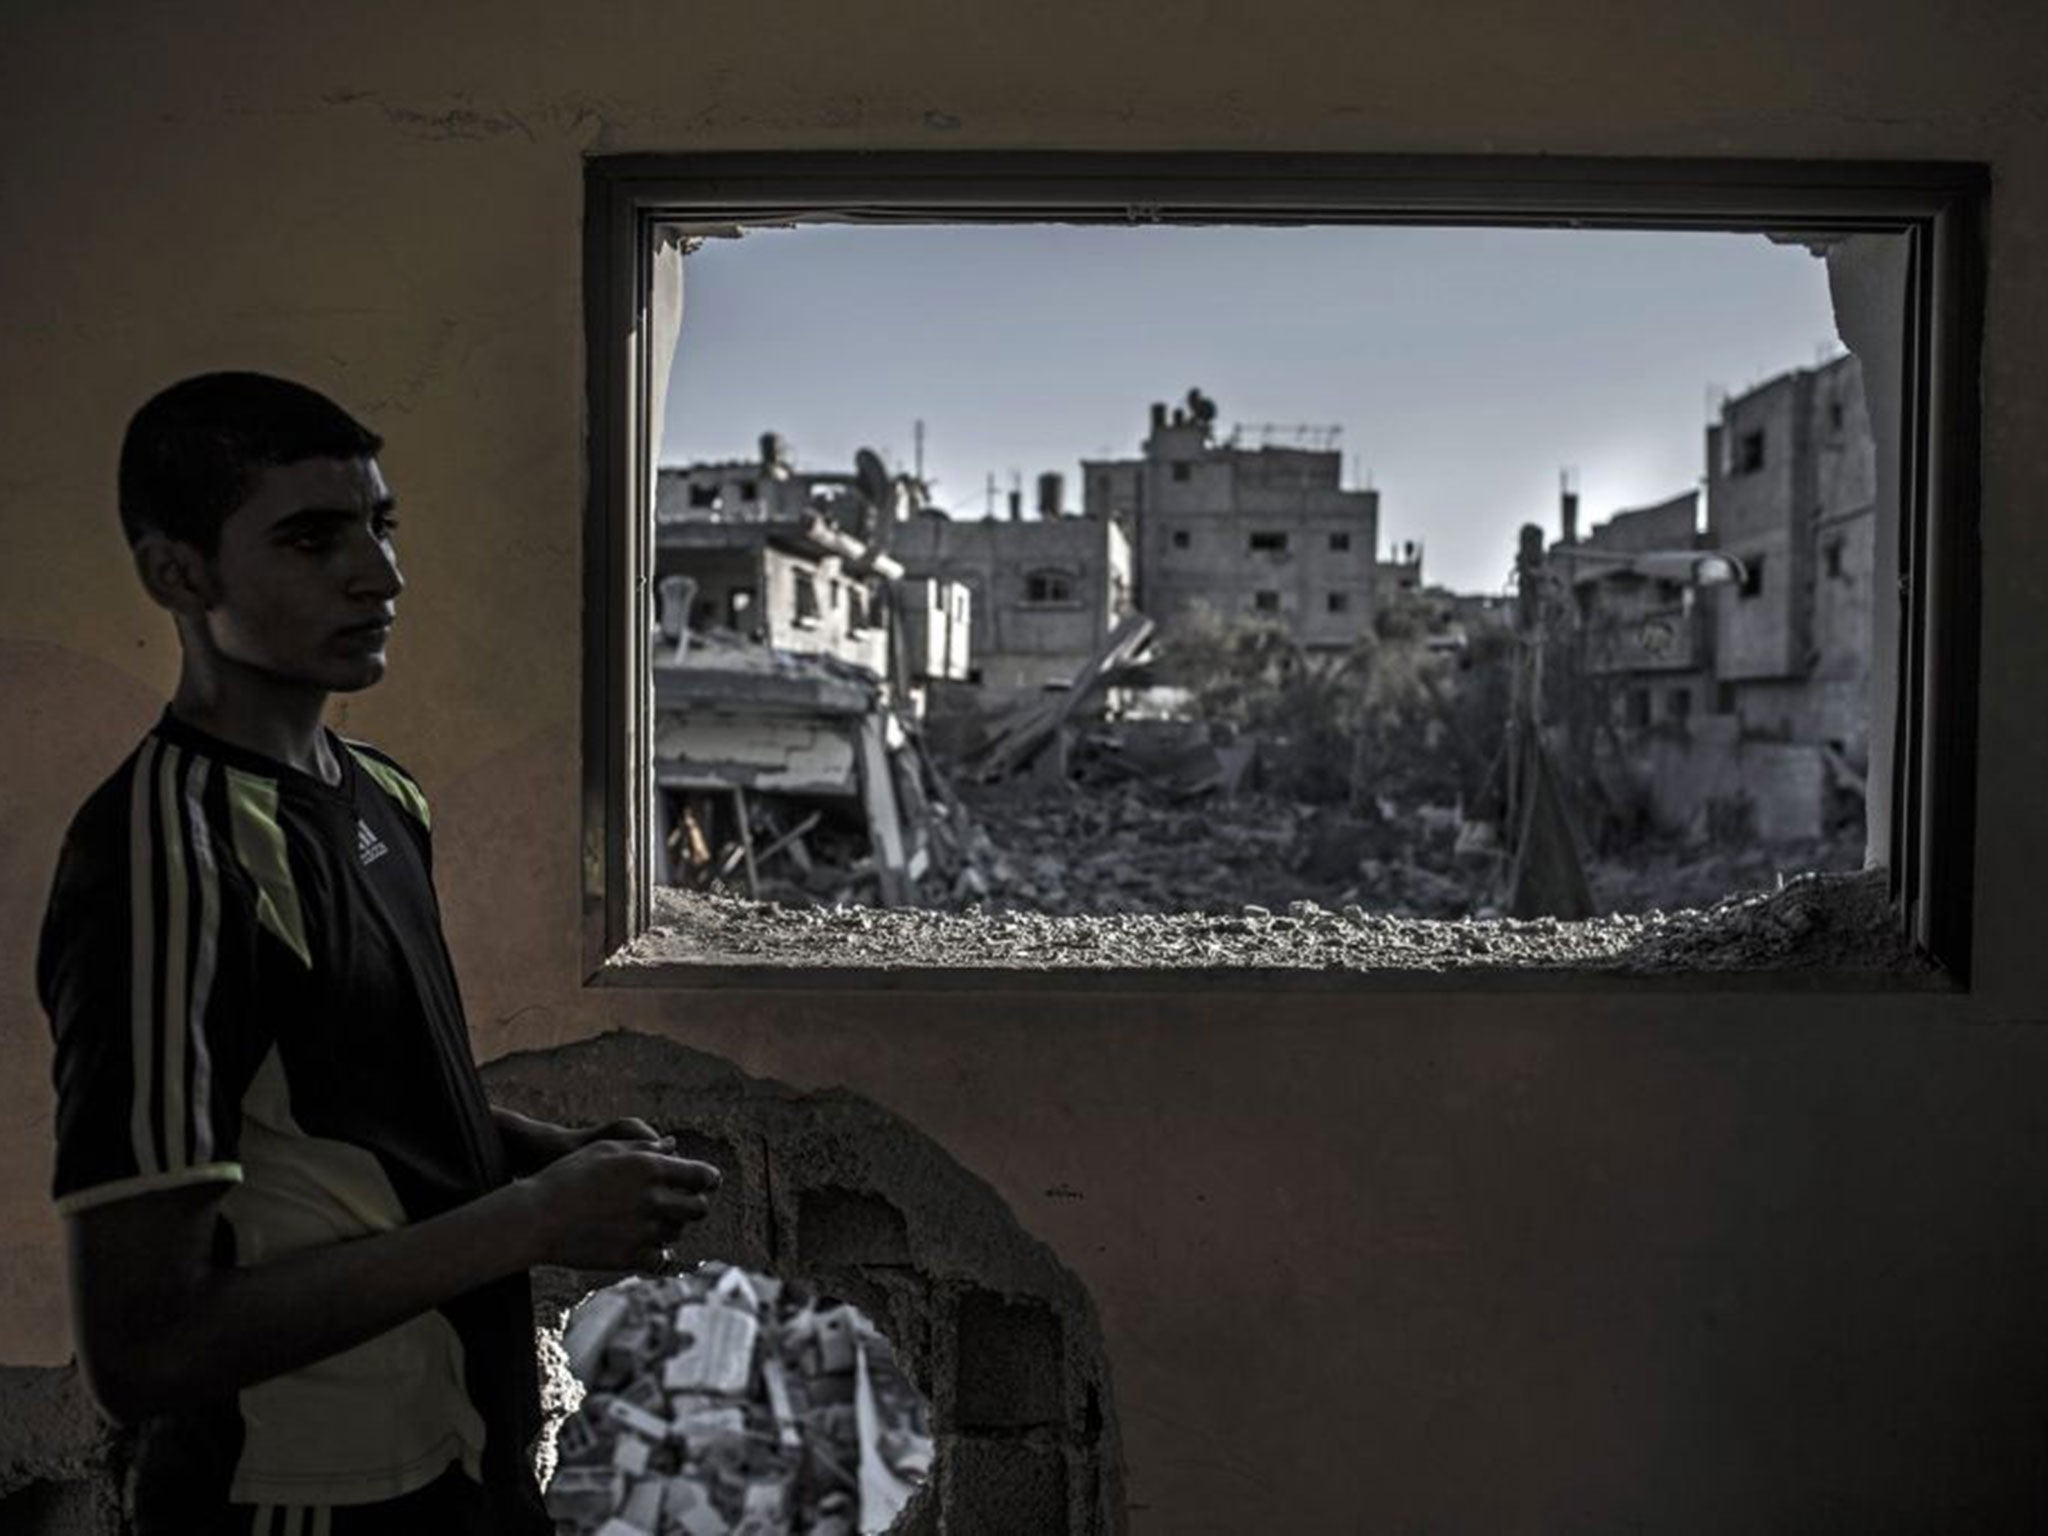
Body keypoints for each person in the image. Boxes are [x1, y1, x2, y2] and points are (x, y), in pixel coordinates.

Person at [37, 371, 723, 1534]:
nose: (380, 575)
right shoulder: (164, 857)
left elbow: (340, 1094)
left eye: (380, 526)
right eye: (312, 539)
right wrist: (536, 1221)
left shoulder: (380, 792)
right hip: (299, 1497)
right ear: (179, 573)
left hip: (461, 1454)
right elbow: (148, 1348)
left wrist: (547, 1156)